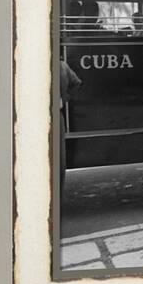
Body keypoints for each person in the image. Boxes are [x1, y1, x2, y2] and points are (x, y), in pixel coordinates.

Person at [60, 60, 82, 191]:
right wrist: (65, 98)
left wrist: (64, 98)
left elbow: (76, 83)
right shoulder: (61, 65)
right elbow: (76, 83)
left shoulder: (62, 66)